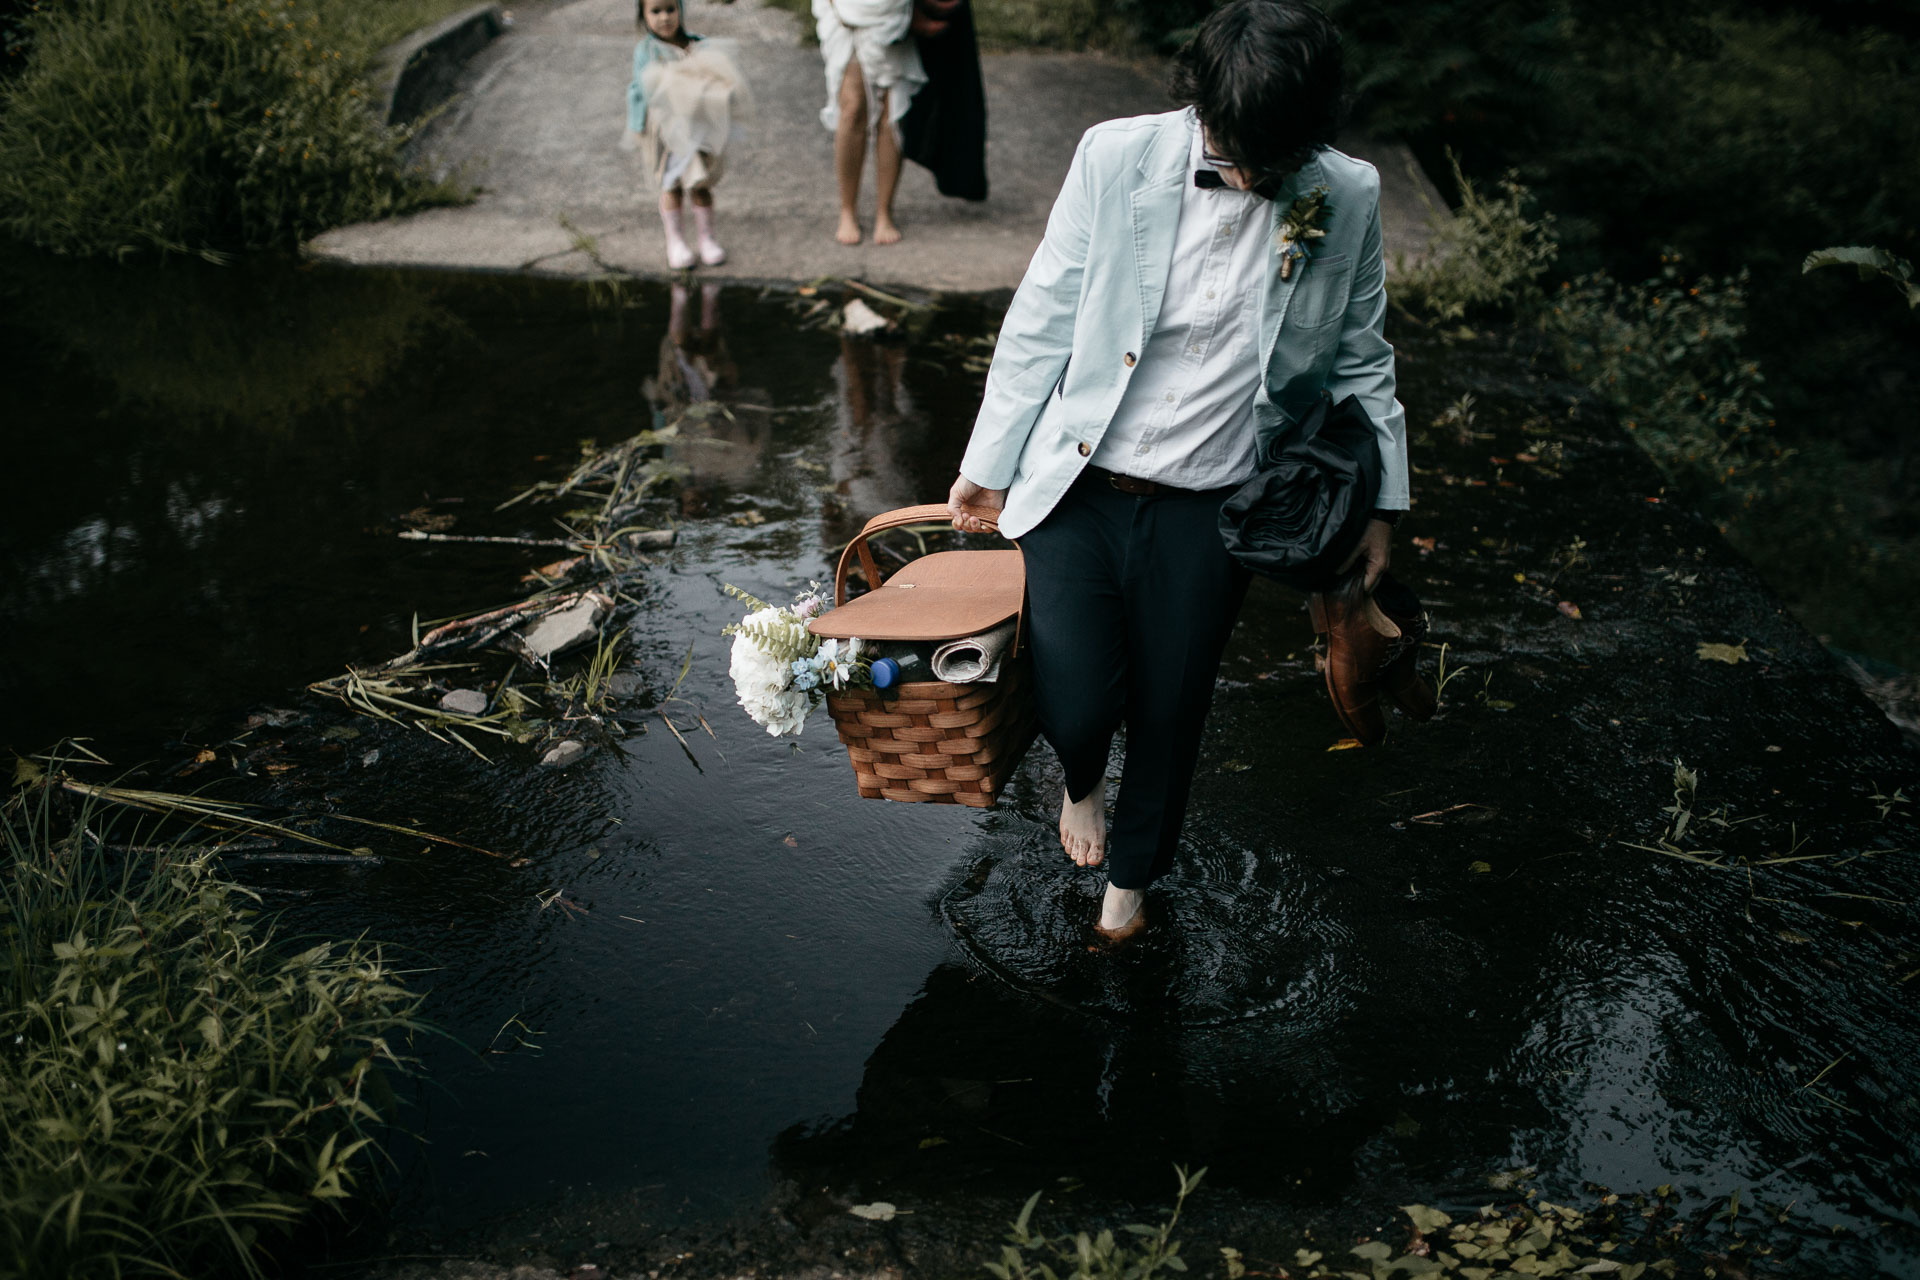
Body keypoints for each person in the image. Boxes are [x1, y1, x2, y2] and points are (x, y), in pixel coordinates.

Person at [945, 0, 1411, 940]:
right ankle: (1079, 782)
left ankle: (1131, 890)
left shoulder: (1345, 195)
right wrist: (987, 466)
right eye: (1233, 149)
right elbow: (1042, 315)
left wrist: (1382, 508)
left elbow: (1363, 357)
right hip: (1080, 487)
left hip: (1218, 504)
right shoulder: (1115, 158)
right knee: (1075, 700)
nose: (1246, 175)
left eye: (1270, 162)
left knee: (1172, 707)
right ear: (1201, 104)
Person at [627, 0, 750, 268]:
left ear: (681, 10)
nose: (664, 18)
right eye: (655, 12)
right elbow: (643, 88)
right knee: (671, 185)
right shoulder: (647, 51)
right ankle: (676, 241)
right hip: (666, 134)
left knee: (700, 183)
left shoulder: (698, 46)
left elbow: (719, 79)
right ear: (643, 16)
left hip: (698, 130)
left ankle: (707, 239)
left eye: (670, 9)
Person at [812, 0, 927, 246]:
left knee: (890, 110)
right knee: (852, 108)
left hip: (891, 10)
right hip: (847, 9)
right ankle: (847, 210)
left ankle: (884, 211)